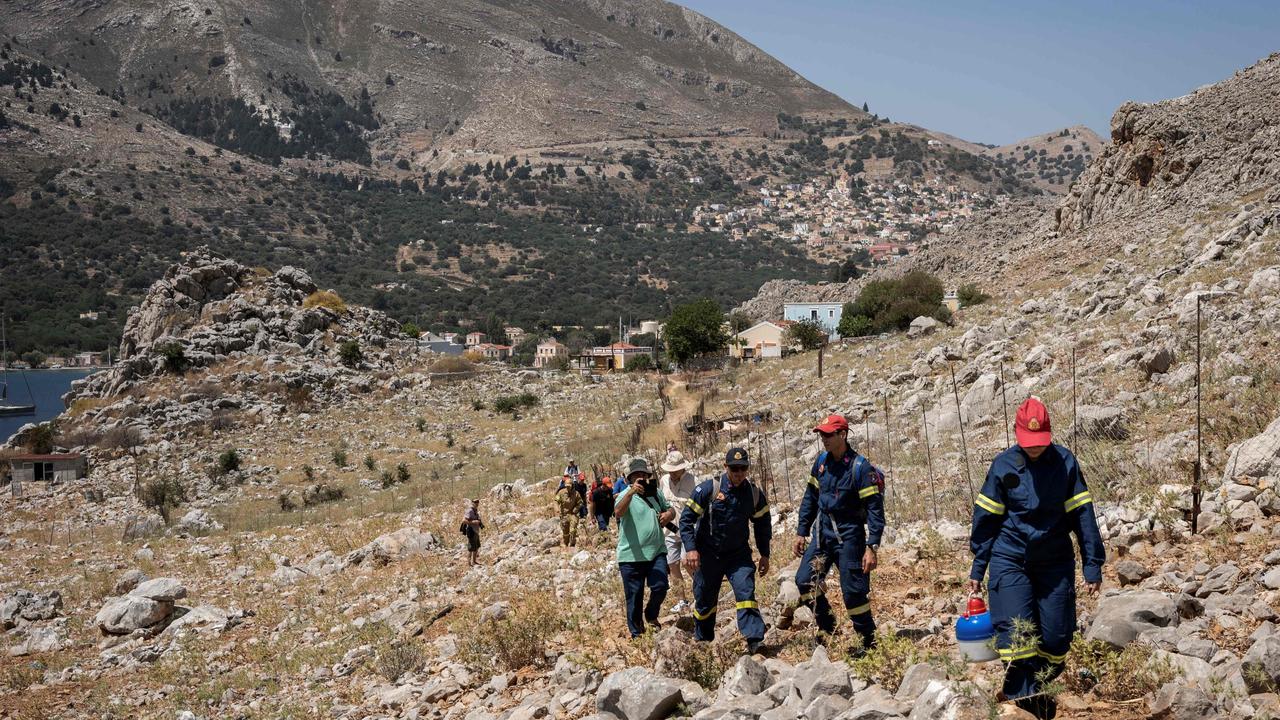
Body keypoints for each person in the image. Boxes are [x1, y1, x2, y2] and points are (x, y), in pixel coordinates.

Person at [969, 397, 1105, 720]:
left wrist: (1092, 564)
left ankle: (1038, 686)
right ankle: (1027, 703)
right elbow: (985, 523)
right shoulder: (1003, 467)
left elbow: (1083, 516)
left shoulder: (1065, 464)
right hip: (1010, 559)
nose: (1034, 448)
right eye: (1028, 443)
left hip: (1054, 561)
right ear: (1016, 434)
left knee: (1057, 639)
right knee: (1017, 640)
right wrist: (978, 568)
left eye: (1039, 442)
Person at [793, 414, 885, 655]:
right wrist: (802, 531)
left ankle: (868, 643)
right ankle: (827, 627)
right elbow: (810, 497)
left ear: (842, 435)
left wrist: (871, 546)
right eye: (821, 434)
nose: (822, 438)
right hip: (822, 536)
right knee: (804, 580)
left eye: (827, 434)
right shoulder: (821, 462)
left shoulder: (860, 467)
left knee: (854, 593)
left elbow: (875, 509)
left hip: (849, 537)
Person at [680, 447, 771, 654]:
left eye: (743, 468)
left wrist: (765, 554)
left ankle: (755, 640)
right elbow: (686, 520)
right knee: (704, 598)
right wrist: (691, 549)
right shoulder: (709, 489)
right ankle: (703, 639)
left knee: (745, 591)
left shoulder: (754, 494)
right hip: (708, 554)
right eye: (734, 468)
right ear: (725, 467)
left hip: (738, 555)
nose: (739, 473)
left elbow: (763, 524)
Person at [615, 457, 676, 637]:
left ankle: (651, 614)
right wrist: (631, 493)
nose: (640, 478)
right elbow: (618, 512)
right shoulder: (624, 495)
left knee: (661, 586)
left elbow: (670, 509)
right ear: (629, 479)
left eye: (643, 474)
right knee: (634, 597)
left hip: (656, 552)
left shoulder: (655, 493)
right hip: (631, 556)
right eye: (636, 476)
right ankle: (637, 634)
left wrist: (668, 515)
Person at [659, 450, 698, 611]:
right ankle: (682, 601)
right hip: (669, 529)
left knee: (687, 561)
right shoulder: (664, 480)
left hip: (689, 528)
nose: (673, 473)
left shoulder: (693, 481)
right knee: (672, 564)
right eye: (670, 470)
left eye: (675, 470)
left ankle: (702, 591)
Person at [555, 475, 583, 548]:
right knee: (565, 531)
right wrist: (557, 509)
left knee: (573, 529)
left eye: (569, 486)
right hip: (564, 514)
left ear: (572, 485)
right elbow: (556, 501)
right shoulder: (561, 492)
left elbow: (580, 502)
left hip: (573, 514)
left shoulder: (576, 493)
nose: (568, 487)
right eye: (566, 486)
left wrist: (576, 509)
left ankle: (572, 543)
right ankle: (566, 543)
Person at [462, 498, 484, 566]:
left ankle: (474, 561)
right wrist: (473, 522)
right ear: (472, 502)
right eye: (475, 502)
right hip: (471, 531)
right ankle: (469, 563)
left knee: (476, 546)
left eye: (478, 501)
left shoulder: (475, 510)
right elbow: (464, 520)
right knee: (471, 548)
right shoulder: (470, 511)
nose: (477, 503)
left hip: (476, 531)